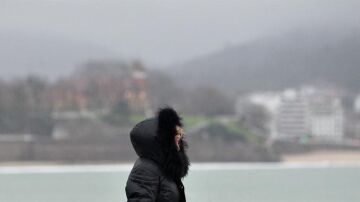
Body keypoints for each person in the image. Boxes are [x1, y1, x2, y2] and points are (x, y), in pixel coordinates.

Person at [125, 107, 190, 202]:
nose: (179, 140)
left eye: (180, 136)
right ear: (165, 140)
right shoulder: (145, 169)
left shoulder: (164, 169)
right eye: (176, 136)